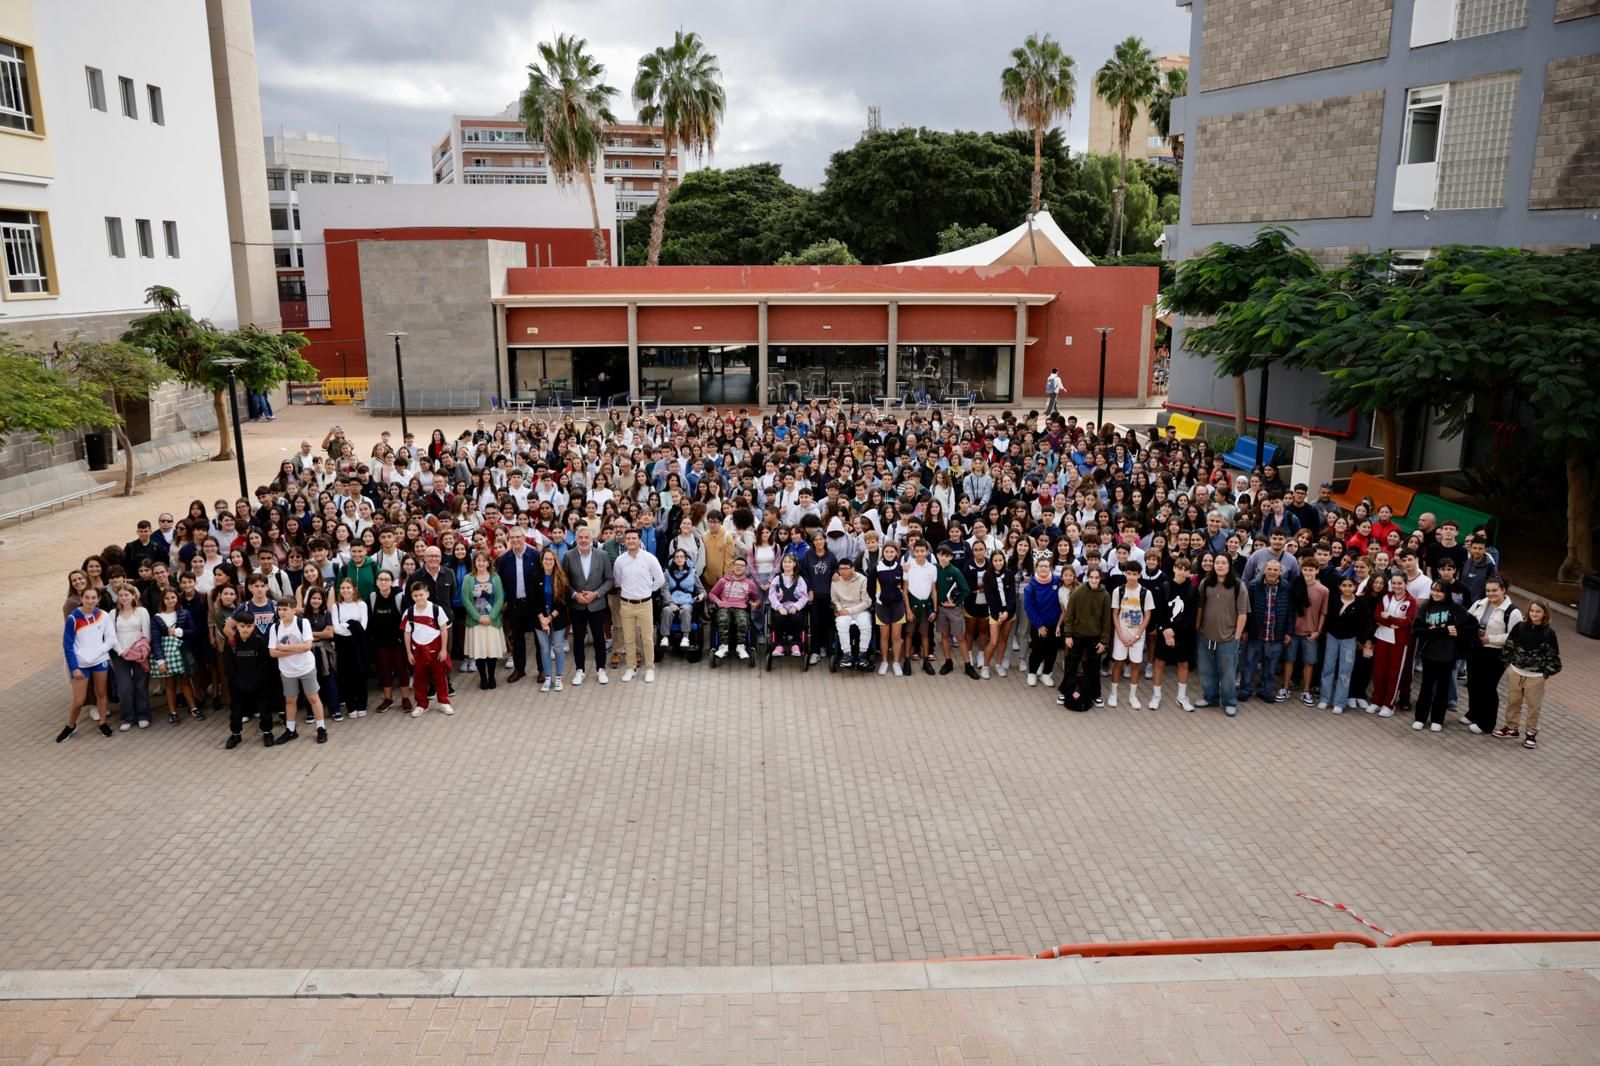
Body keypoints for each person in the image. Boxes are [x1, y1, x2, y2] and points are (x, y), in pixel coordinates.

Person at [1410, 581, 1475, 733]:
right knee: (1426, 686)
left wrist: (1458, 632)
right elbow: (1418, 630)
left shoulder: (1455, 608)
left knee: (1442, 688)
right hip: (1428, 654)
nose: (1435, 593)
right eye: (1433, 590)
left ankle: (1437, 719)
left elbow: (1472, 624)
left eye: (1440, 591)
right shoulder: (1425, 607)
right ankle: (1420, 718)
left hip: (1448, 655)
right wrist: (1443, 631)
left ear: (1447, 592)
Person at [1496, 600, 1560, 749]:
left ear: (1545, 614)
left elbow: (1553, 658)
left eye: (1538, 611)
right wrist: (1508, 666)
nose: (1534, 614)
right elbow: (1509, 646)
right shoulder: (1520, 627)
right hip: (1515, 672)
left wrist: (1544, 674)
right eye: (1532, 611)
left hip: (1535, 677)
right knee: (1513, 702)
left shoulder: (1549, 633)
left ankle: (1531, 733)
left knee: (1533, 706)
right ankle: (1512, 728)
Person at [225, 572, 279, 747]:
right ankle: (236, 732)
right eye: (255, 585)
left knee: (267, 695)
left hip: (268, 655)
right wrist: (237, 643)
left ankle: (269, 729)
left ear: (267, 587)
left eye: (262, 585)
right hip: (244, 658)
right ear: (249, 588)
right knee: (239, 701)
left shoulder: (275, 605)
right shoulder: (245, 607)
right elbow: (228, 628)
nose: (259, 589)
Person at [58, 587, 116, 742]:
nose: (90, 601)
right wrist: (74, 667)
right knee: (79, 700)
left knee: (102, 693)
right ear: (81, 599)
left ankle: (103, 723)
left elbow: (111, 639)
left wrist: (99, 652)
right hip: (80, 665)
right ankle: (70, 725)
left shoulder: (103, 616)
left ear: (98, 600)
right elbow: (68, 645)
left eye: (93, 598)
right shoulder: (73, 618)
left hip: (100, 661)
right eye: (87, 598)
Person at [1194, 553, 1249, 717]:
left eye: (1223, 563)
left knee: (1228, 673)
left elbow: (1243, 613)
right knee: (1206, 669)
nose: (1219, 566)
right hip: (1205, 636)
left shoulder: (1239, 585)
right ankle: (1210, 697)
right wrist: (1197, 626)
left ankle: (1229, 701)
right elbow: (1200, 607)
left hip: (1228, 638)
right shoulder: (1206, 583)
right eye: (1217, 563)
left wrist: (1237, 635)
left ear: (1230, 565)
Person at [268, 597, 328, 743]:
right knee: (290, 700)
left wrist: (284, 648)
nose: (281, 612)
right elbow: (272, 653)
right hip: (287, 670)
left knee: (313, 698)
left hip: (306, 667)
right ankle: (290, 730)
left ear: (293, 609)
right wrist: (296, 650)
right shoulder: (275, 627)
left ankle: (321, 728)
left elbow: (307, 646)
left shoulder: (303, 623)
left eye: (285, 609)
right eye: (279, 609)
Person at [1465, 579, 1520, 736]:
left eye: (1494, 590)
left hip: (1496, 654)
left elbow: (1515, 637)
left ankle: (1487, 724)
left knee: (1488, 687)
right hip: (1476, 649)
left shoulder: (1512, 611)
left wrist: (1491, 639)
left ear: (1503, 590)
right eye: (1488, 590)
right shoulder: (1480, 603)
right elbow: (1468, 619)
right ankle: (1473, 714)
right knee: (1474, 683)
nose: (1491, 594)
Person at [560, 525, 613, 686]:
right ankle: (579, 670)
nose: (583, 540)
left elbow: (609, 580)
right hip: (577, 606)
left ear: (592, 539)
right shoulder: (568, 556)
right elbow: (564, 580)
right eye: (580, 538)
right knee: (578, 640)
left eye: (586, 538)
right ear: (575, 539)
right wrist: (575, 595)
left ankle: (601, 669)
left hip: (596, 605)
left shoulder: (602, 555)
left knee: (599, 638)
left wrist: (595, 594)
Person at [612, 528, 665, 682]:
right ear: (625, 541)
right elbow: (618, 581)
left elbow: (660, 580)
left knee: (647, 638)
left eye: (634, 538)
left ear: (639, 540)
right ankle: (631, 667)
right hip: (626, 604)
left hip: (645, 604)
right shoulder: (620, 561)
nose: (630, 541)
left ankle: (650, 668)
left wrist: (648, 590)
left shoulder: (649, 559)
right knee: (628, 638)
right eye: (628, 538)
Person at [1058, 565, 1111, 710]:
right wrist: (1068, 635)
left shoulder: (1105, 595)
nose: (1094, 580)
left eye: (1097, 578)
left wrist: (1103, 641)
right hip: (1077, 636)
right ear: (1087, 577)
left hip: (1094, 638)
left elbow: (1107, 621)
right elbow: (1069, 616)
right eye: (1091, 577)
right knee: (1071, 665)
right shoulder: (1078, 592)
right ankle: (1064, 691)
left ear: (1100, 578)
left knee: (1094, 668)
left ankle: (1095, 694)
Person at [1149, 555, 1197, 711]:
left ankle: (1181, 697)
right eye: (1179, 568)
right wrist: (1165, 630)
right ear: (1174, 568)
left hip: (1182, 634)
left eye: (1185, 570)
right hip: (1165, 632)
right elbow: (1159, 612)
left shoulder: (1192, 589)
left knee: (1183, 664)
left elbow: (1191, 615)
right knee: (1159, 663)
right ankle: (1156, 696)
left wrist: (1174, 632)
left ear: (1189, 572)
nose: (1182, 572)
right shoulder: (1165, 586)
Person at [495, 527, 541, 684]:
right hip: (514, 605)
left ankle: (542, 670)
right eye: (512, 537)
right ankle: (519, 669)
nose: (515, 540)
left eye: (518, 537)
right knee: (517, 638)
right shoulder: (504, 560)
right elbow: (500, 583)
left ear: (524, 537)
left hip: (533, 604)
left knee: (539, 638)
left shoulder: (535, 555)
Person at [401, 578, 454, 718]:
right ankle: (421, 704)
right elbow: (407, 633)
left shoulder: (436, 609)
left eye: (421, 594)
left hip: (435, 648)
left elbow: (444, 630)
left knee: (440, 676)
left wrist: (443, 650)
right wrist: (408, 653)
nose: (419, 598)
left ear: (427, 594)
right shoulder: (409, 613)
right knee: (419, 678)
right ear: (412, 596)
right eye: (415, 595)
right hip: (417, 650)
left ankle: (444, 701)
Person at [150, 587, 202, 726]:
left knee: (185, 681)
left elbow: (193, 632)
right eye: (167, 598)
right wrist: (160, 660)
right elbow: (155, 640)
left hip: (181, 652)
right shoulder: (157, 617)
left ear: (177, 599)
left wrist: (178, 631)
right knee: (170, 683)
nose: (170, 600)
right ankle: (172, 712)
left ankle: (193, 708)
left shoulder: (184, 613)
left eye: (173, 597)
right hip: (166, 654)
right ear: (163, 600)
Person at [1318, 576, 1370, 714]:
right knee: (1328, 668)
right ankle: (1325, 698)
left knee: (1345, 672)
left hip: (1349, 640)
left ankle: (1340, 702)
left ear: (1354, 587)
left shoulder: (1360, 603)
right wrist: (1325, 633)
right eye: (1344, 585)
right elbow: (1327, 617)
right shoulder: (1334, 599)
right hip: (1332, 637)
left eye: (1350, 585)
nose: (1347, 588)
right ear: (1340, 587)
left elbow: (1365, 623)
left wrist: (1361, 640)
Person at [1105, 560, 1153, 708]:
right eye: (1129, 573)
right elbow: (1115, 613)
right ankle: (1113, 694)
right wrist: (1120, 634)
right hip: (1122, 636)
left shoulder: (1146, 592)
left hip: (1137, 637)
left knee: (1135, 665)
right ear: (1125, 574)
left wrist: (1137, 636)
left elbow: (1147, 615)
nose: (1131, 577)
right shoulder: (1118, 591)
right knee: (1118, 663)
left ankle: (1133, 696)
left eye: (1135, 574)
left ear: (1139, 575)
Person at [1369, 574, 1417, 718]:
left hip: (1400, 642)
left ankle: (1389, 704)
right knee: (1379, 672)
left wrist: (1388, 617)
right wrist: (1393, 623)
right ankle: (1376, 701)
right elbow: (1377, 615)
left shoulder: (1410, 601)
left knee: (1394, 674)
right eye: (1394, 583)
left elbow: (1407, 622)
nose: (1396, 586)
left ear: (1405, 583)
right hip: (1383, 637)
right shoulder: (1385, 597)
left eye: (1399, 583)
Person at [109, 583, 152, 730]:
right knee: (124, 688)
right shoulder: (112, 614)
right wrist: (121, 651)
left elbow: (146, 634)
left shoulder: (141, 611)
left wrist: (138, 651)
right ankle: (127, 717)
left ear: (133, 596)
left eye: (127, 595)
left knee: (141, 686)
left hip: (138, 654)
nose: (124, 598)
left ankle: (143, 715)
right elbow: (111, 636)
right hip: (120, 655)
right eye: (121, 595)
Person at [462, 550, 506, 690]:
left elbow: (499, 598)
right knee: (480, 652)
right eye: (478, 560)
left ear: (488, 562)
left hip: (492, 621)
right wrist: (478, 617)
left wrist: (491, 616)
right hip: (476, 622)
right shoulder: (468, 578)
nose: (481, 563)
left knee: (491, 651)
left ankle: (492, 676)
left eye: (483, 560)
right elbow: (466, 600)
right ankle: (483, 678)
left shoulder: (495, 577)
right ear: (475, 562)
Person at [368, 569, 408, 713]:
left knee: (401, 670)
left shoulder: (399, 597)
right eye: (380, 579)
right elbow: (369, 621)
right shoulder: (372, 597)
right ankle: (388, 699)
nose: (383, 582)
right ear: (377, 582)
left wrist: (402, 638)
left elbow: (407, 620)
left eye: (386, 579)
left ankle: (405, 699)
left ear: (392, 582)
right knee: (384, 671)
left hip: (397, 642)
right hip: (380, 643)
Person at [709, 556, 761, 661]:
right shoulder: (723, 581)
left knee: (742, 620)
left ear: (745, 568)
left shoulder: (749, 583)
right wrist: (718, 601)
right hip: (725, 607)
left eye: (742, 566)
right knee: (723, 619)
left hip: (741, 608)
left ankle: (741, 647)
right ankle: (723, 646)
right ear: (733, 566)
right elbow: (712, 594)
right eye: (737, 565)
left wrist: (756, 604)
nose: (739, 567)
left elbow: (757, 599)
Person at [331, 578, 370, 717]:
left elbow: (363, 626)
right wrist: (352, 625)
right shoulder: (336, 606)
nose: (345, 590)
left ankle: (362, 704)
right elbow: (336, 628)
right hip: (343, 644)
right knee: (346, 675)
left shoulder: (361, 605)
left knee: (360, 674)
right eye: (342, 588)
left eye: (348, 587)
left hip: (358, 644)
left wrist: (346, 625)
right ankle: (351, 706)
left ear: (353, 589)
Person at [534, 547, 570, 691]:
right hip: (540, 618)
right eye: (545, 559)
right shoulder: (536, 576)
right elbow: (533, 600)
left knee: (558, 647)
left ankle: (559, 678)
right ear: (542, 561)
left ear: (555, 561)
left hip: (557, 617)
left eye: (551, 559)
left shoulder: (561, 577)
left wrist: (549, 618)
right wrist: (542, 618)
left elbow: (563, 601)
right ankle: (548, 678)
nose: (548, 561)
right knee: (544, 649)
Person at [1021, 559, 1061, 687]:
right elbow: (1029, 608)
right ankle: (1032, 673)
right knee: (1037, 650)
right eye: (1041, 566)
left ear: (1051, 568)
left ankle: (1046, 674)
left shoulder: (1057, 582)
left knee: (1052, 650)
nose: (1044, 568)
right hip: (1039, 625)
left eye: (1046, 566)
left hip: (1055, 624)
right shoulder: (1031, 587)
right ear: (1036, 568)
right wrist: (1039, 625)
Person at [932, 543, 970, 676]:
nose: (943, 558)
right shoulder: (934, 569)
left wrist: (955, 603)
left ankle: (967, 664)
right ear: (937, 555)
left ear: (951, 557)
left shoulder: (955, 571)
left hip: (953, 610)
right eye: (941, 555)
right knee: (944, 636)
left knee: (960, 637)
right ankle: (948, 662)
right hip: (940, 609)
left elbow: (966, 590)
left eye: (947, 556)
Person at [829, 556, 872, 668]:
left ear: (852, 569)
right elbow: (835, 600)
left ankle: (863, 654)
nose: (843, 571)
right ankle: (846, 654)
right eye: (841, 569)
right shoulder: (835, 581)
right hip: (843, 610)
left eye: (846, 568)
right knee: (841, 625)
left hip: (860, 609)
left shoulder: (862, 579)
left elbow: (867, 602)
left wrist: (848, 611)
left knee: (866, 625)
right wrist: (839, 609)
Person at [767, 552, 811, 657]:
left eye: (789, 562)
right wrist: (779, 607)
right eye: (785, 562)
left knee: (798, 618)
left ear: (794, 564)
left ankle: (796, 644)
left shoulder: (800, 580)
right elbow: (772, 596)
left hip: (794, 608)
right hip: (781, 608)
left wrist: (796, 607)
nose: (787, 564)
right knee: (777, 618)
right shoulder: (777, 579)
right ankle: (778, 645)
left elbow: (804, 597)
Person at [980, 548, 1014, 680]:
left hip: (1009, 613)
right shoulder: (987, 576)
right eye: (995, 560)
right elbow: (990, 598)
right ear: (991, 561)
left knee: (1003, 639)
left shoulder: (1009, 574)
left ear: (1004, 560)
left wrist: (1007, 612)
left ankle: (999, 664)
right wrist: (999, 613)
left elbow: (1012, 596)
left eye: (1000, 560)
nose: (998, 563)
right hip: (995, 613)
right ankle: (985, 666)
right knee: (993, 641)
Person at [658, 548, 704, 648]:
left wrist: (701, 595)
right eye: (677, 557)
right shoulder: (666, 573)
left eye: (682, 557)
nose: (679, 559)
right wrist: (670, 603)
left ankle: (685, 637)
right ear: (673, 559)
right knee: (666, 610)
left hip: (687, 601)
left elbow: (703, 591)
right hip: (671, 601)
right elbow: (664, 590)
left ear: (686, 559)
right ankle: (665, 637)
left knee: (686, 610)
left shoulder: (692, 573)